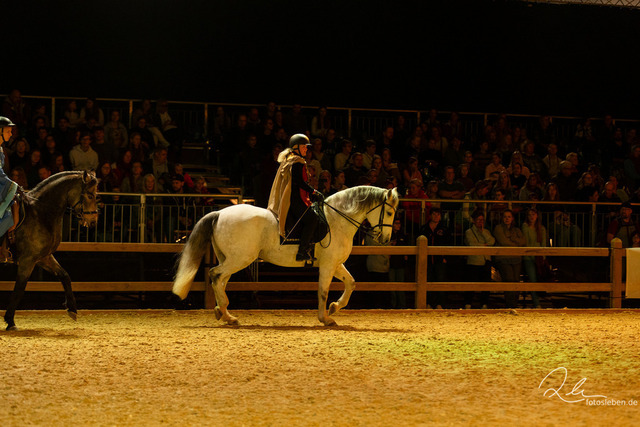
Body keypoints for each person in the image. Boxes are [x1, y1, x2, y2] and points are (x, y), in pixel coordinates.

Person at [268, 134, 324, 262]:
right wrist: (314, 191)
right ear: (296, 147)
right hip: (294, 200)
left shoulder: (290, 159)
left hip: (295, 197)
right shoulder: (297, 162)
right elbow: (299, 182)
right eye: (304, 147)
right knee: (312, 219)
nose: (306, 149)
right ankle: (302, 251)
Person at [418, 207, 451, 309]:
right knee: (428, 280)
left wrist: (445, 257)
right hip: (426, 260)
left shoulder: (444, 229)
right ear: (430, 215)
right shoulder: (424, 229)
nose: (436, 216)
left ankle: (440, 304)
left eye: (438, 214)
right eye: (434, 214)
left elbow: (448, 244)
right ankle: (428, 303)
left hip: (439, 259)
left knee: (440, 281)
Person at [493, 209, 526, 308]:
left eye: (509, 217)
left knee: (516, 280)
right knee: (509, 279)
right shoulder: (498, 228)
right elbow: (503, 242)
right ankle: (510, 305)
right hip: (503, 258)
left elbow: (523, 241)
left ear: (512, 218)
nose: (507, 219)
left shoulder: (517, 230)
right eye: (505, 217)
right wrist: (515, 244)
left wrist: (513, 240)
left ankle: (514, 304)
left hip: (516, 258)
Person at [464, 210, 494, 309]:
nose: (481, 222)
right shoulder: (469, 232)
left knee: (486, 283)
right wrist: (484, 245)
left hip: (486, 260)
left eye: (482, 220)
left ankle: (484, 303)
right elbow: (472, 244)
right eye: (478, 220)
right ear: (474, 221)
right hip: (474, 261)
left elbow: (492, 241)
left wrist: (483, 233)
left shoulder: (486, 232)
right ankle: (468, 302)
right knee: (471, 283)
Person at [0, 117, 21, 262]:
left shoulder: (1, 149)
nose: (11, 134)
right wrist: (13, 185)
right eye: (8, 131)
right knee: (7, 215)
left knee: (13, 207)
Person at [522, 208, 545, 308]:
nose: (531, 217)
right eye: (529, 215)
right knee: (533, 279)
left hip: (538, 257)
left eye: (533, 214)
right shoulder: (525, 227)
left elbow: (543, 244)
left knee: (539, 278)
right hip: (528, 257)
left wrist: (543, 257)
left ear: (537, 216)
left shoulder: (541, 229)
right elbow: (526, 242)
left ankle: (539, 300)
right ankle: (537, 303)